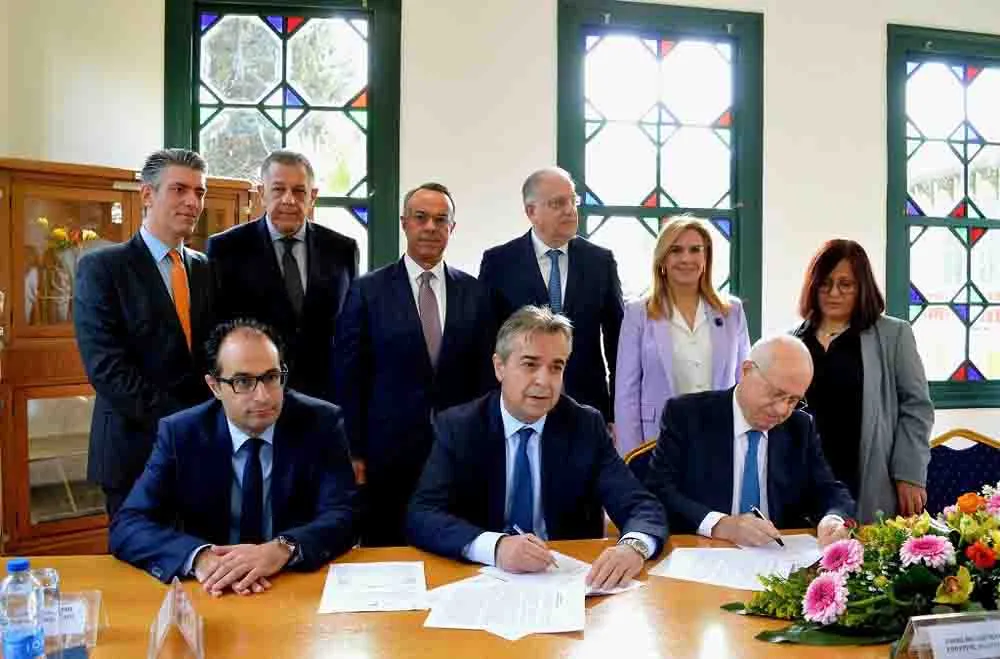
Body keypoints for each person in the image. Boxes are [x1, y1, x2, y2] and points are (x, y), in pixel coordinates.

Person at [407, 306, 666, 591]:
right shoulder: (460, 427)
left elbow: (641, 506)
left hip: (568, 583)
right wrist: (496, 547)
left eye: (556, 367)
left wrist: (633, 547)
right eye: (530, 364)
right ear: (499, 367)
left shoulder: (584, 426)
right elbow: (423, 515)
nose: (544, 380)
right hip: (479, 581)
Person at [109, 319, 358, 593]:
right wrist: (200, 558)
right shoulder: (182, 434)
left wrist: (283, 548)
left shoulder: (321, 422)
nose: (263, 396)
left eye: (271, 377)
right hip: (214, 589)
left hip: (292, 584)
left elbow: (344, 515)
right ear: (215, 386)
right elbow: (128, 524)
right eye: (243, 382)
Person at [333, 183, 495, 546]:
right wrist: (353, 451)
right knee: (387, 552)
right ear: (404, 223)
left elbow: (486, 378)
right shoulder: (367, 291)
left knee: (453, 549)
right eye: (421, 217)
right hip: (386, 454)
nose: (431, 227)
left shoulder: (475, 293)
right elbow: (349, 377)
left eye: (441, 219)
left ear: (452, 228)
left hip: (458, 452)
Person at [74, 148, 213, 518]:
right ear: (147, 194)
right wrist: (184, 422)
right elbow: (107, 369)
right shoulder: (103, 268)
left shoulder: (206, 269)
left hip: (202, 453)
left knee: (202, 551)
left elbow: (215, 354)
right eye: (179, 189)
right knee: (139, 553)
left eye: (199, 192)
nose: (192, 202)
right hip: (134, 452)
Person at [645, 335, 855, 547]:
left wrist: (833, 518)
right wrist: (719, 524)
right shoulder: (687, 415)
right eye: (776, 394)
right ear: (746, 371)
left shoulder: (799, 427)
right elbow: (659, 489)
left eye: (793, 400)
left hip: (778, 555)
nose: (782, 410)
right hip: (705, 549)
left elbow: (829, 490)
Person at [793, 239, 933, 522]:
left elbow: (917, 407)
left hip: (867, 474)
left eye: (845, 284)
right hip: (804, 477)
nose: (834, 293)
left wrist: (909, 473)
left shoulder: (893, 335)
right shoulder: (793, 340)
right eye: (825, 283)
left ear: (862, 287)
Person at [207, 150, 358, 401]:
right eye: (278, 190)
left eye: (299, 191)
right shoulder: (226, 249)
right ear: (262, 194)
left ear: (313, 196)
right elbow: (217, 330)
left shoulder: (342, 250)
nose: (289, 200)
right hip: (254, 395)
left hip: (326, 398)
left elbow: (351, 328)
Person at [478, 167, 624, 424]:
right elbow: (486, 341)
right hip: (519, 405)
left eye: (573, 201)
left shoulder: (600, 261)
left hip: (587, 405)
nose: (570, 210)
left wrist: (615, 413)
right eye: (558, 203)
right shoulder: (499, 262)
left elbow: (617, 344)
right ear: (531, 211)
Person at [614, 216, 751, 456]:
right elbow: (626, 393)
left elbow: (745, 381)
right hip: (657, 441)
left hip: (720, 440)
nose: (686, 258)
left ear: (706, 258)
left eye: (695, 250)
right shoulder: (638, 313)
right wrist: (632, 456)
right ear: (662, 259)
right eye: (676, 250)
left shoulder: (732, 312)